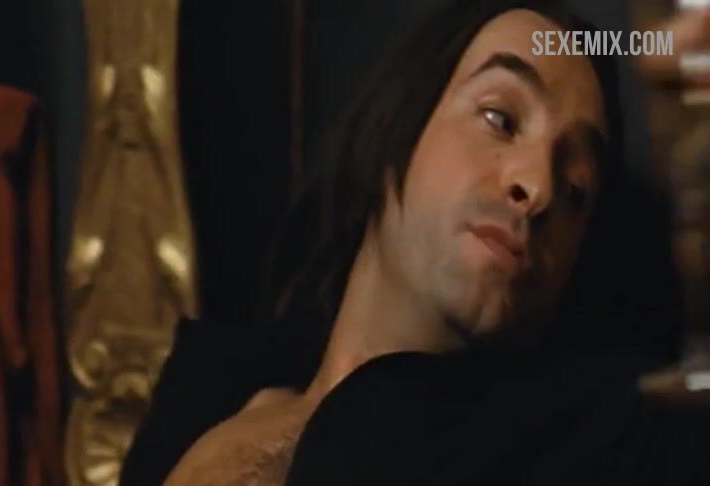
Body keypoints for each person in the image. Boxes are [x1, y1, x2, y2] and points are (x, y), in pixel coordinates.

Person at [121, 0, 698, 484]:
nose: (539, 186)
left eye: (576, 189)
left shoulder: (589, 446)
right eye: (500, 119)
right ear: (397, 125)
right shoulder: (210, 389)